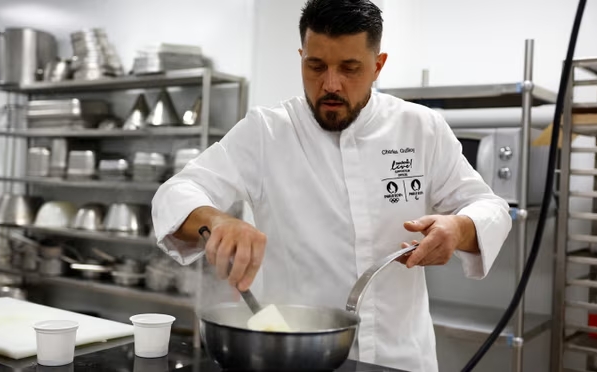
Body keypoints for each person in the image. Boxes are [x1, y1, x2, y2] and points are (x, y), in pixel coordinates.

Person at [151, 0, 512, 370]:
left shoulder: (421, 128)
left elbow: (489, 207)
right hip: (295, 357)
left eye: (350, 68)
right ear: (301, 57)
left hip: (400, 357)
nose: (331, 84)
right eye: (316, 66)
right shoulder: (267, 131)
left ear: (378, 65)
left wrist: (458, 228)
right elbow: (177, 191)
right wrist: (216, 219)